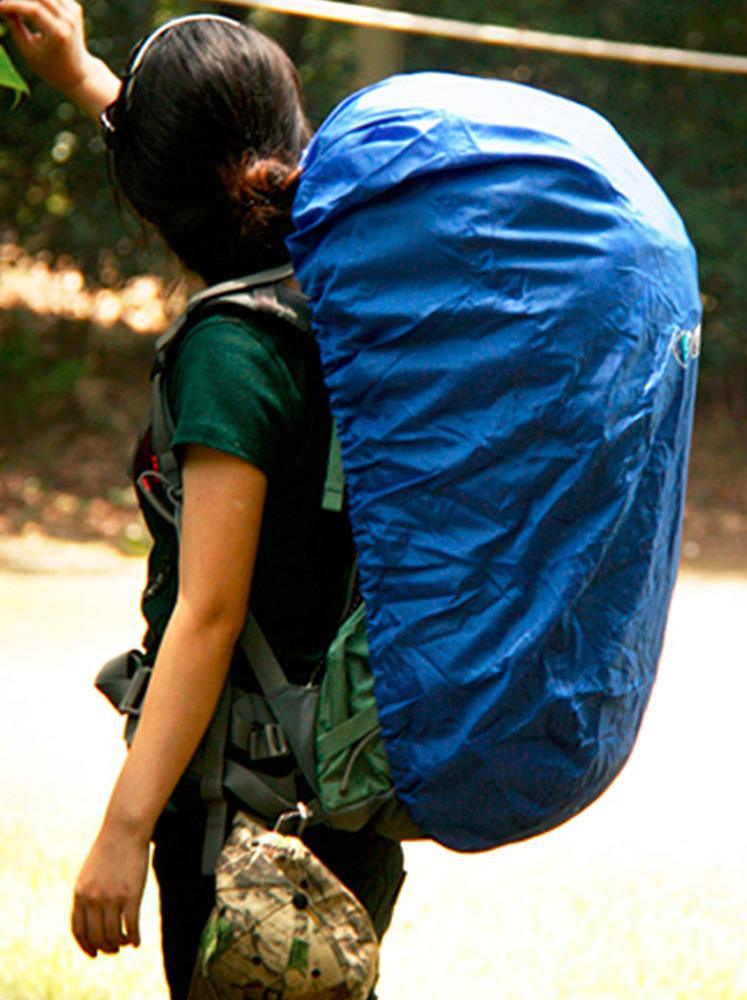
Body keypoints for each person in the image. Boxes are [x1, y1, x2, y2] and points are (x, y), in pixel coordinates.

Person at [2, 4, 405, 996]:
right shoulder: (339, 290)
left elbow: (210, 614)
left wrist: (123, 829)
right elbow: (210, 182)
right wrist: (91, 78)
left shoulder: (231, 351)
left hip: (248, 821)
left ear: (154, 199)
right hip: (342, 794)